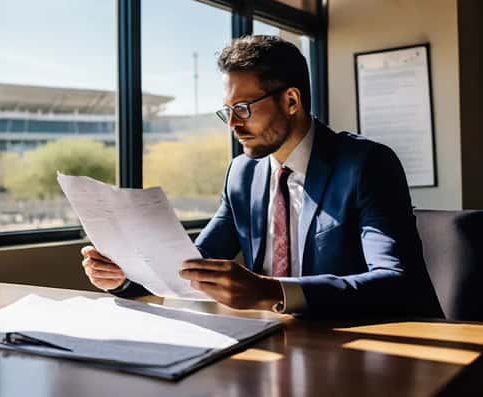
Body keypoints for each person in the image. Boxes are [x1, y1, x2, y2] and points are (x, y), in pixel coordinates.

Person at [81, 35, 443, 317]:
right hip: (279, 341)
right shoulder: (242, 174)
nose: (234, 124)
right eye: (228, 112)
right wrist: (125, 276)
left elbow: (397, 281)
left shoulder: (367, 164)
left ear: (291, 101)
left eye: (243, 108)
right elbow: (195, 265)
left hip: (377, 346)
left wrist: (272, 292)